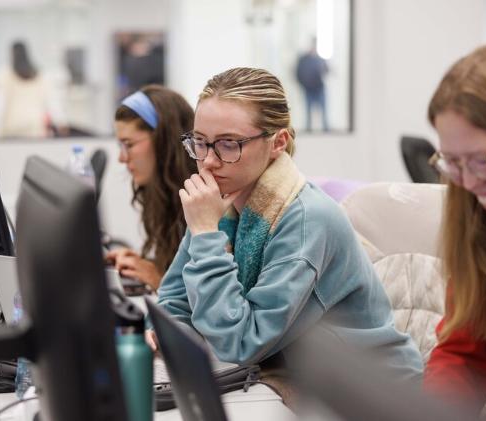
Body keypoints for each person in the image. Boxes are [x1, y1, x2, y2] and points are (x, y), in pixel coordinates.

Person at [149, 67, 423, 398]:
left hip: (374, 397)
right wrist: (168, 336)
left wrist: (207, 236)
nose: (208, 162)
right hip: (294, 378)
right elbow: (174, 302)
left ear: (278, 142)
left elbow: (241, 342)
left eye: (228, 145)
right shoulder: (224, 200)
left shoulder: (307, 219)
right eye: (200, 143)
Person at [423, 44, 486, 416]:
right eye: (453, 163)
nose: (470, 182)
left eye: (484, 161)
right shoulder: (482, 222)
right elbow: (465, 353)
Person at [106, 85, 196, 291]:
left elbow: (206, 297)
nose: (122, 158)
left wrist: (160, 280)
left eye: (128, 144)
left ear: (163, 141)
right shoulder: (165, 195)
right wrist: (146, 264)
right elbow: (181, 266)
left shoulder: (202, 202)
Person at [0, 41, 67, 138]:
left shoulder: (5, 74)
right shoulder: (41, 75)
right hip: (35, 129)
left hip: (11, 129)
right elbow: (52, 102)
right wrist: (60, 122)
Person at [296, 38, 329, 132]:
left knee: (324, 112)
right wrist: (303, 85)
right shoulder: (303, 59)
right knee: (308, 113)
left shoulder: (320, 59)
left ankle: (326, 130)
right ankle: (308, 130)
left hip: (319, 89)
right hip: (308, 90)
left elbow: (326, 70)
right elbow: (298, 73)